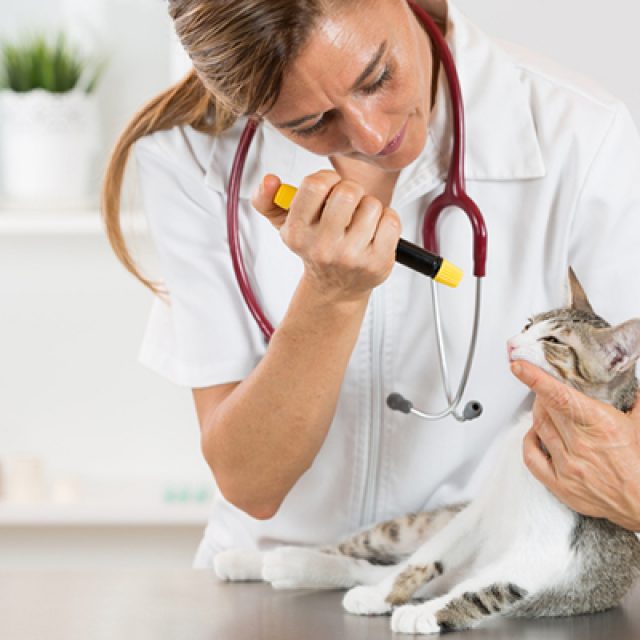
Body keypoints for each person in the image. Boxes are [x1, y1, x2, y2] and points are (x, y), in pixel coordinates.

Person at [102, 0, 640, 570]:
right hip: (276, 582)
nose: (373, 133)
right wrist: (330, 293)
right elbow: (251, 484)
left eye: (378, 76)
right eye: (309, 124)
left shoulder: (579, 133)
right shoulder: (190, 153)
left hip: (475, 580)